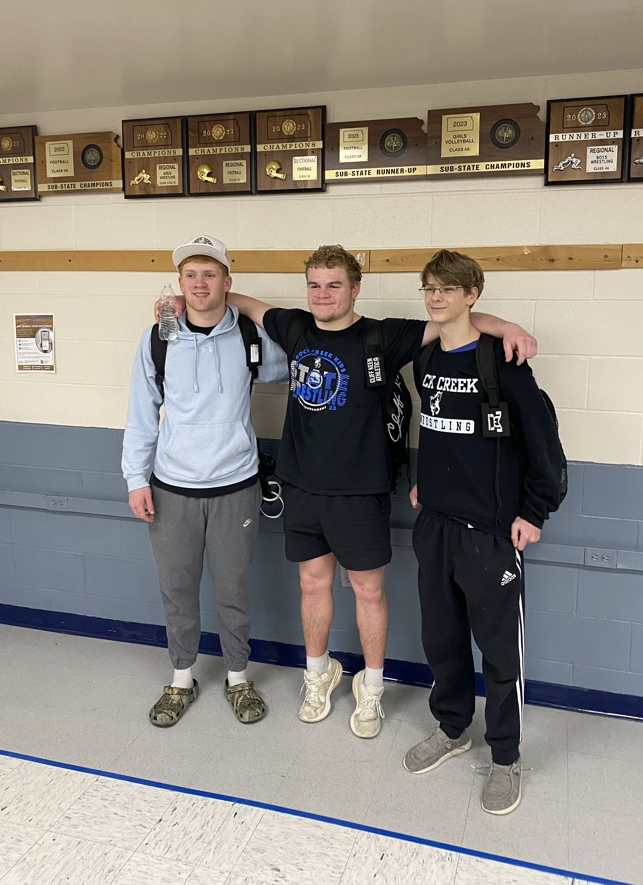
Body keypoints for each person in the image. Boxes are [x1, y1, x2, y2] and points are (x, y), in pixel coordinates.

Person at [225, 245, 537, 739]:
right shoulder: (294, 326)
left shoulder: (385, 335)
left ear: (354, 288)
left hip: (361, 492)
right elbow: (248, 305)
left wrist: (511, 329)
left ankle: (371, 689)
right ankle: (317, 673)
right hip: (302, 487)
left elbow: (459, 323)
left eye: (333, 285)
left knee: (368, 591)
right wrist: (210, 293)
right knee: (312, 585)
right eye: (314, 285)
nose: (322, 294)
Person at [403, 249, 563, 814]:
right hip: (436, 527)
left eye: (448, 288)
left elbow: (545, 446)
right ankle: (452, 730)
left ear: (473, 294)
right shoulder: (424, 359)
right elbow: (434, 428)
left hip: (492, 534)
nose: (436, 297)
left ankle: (505, 757)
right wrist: (424, 481)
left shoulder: (504, 364)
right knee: (441, 641)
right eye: (429, 288)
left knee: (498, 655)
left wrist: (535, 513)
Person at [122, 235, 287, 728]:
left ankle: (238, 679)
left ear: (227, 282)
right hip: (172, 488)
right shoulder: (158, 338)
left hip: (237, 486)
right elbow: (140, 413)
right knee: (178, 590)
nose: (199, 284)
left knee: (233, 590)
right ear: (179, 283)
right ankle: (181, 679)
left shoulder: (251, 340)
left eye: (210, 274)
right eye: (190, 275)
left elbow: (308, 348)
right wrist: (136, 478)